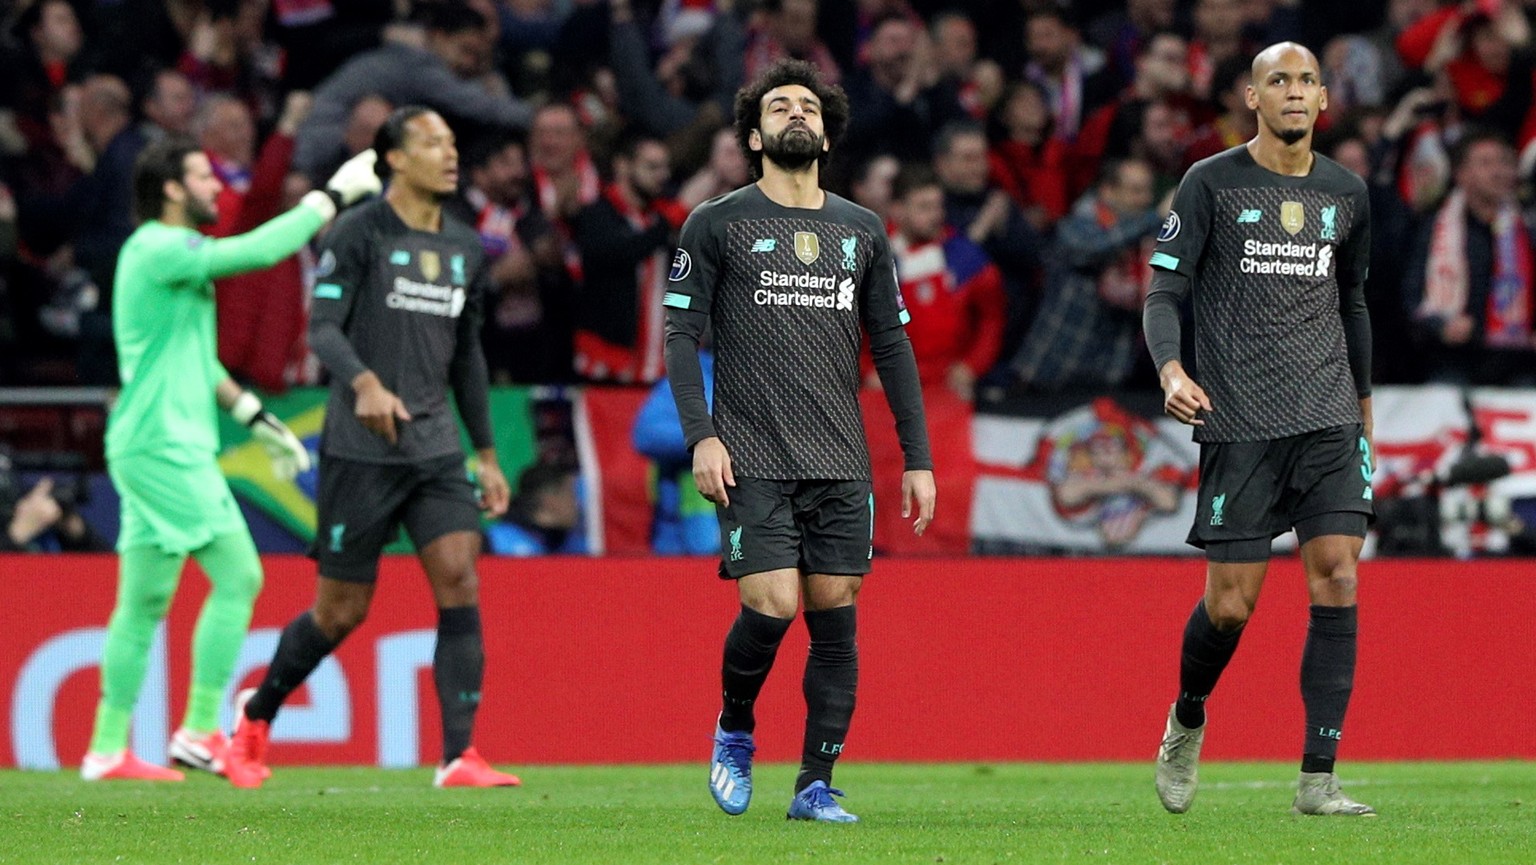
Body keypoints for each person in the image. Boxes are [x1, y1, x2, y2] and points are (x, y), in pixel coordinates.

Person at [664, 59, 936, 823]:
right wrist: (701, 437)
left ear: (824, 131)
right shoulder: (716, 222)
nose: (794, 114)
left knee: (835, 608)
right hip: (751, 452)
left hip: (840, 458)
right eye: (778, 105)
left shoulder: (862, 230)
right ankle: (735, 726)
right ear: (754, 134)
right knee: (772, 601)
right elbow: (681, 335)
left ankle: (814, 784)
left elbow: (892, 347)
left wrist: (918, 458)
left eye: (807, 106)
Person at [222, 107, 516, 791]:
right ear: (393, 158)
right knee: (341, 611)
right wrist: (364, 384)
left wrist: (489, 451)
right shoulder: (357, 233)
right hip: (362, 449)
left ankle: (458, 757)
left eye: (452, 142)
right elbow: (322, 328)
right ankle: (256, 714)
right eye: (432, 143)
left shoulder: (467, 248)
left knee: (459, 575)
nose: (450, 155)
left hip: (436, 445)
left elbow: (467, 354)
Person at [80, 136, 380, 782]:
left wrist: (255, 417)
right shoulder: (161, 247)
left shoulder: (164, 261)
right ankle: (197, 728)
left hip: (148, 441)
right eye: (203, 177)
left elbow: (197, 359)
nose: (218, 188)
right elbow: (259, 252)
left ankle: (106, 746)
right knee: (241, 576)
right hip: (163, 445)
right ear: (170, 189)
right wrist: (333, 194)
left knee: (143, 602)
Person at [1142, 42, 1377, 816]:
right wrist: (1174, 371)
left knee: (1338, 573)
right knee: (1232, 606)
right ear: (1253, 96)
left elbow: (1352, 304)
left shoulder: (1348, 192)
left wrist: (1364, 406)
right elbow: (1165, 292)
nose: (1296, 92)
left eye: (1308, 80)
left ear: (1323, 99)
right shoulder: (1210, 183)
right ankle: (1187, 714)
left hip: (1328, 416)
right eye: (1280, 80)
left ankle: (1319, 776)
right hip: (1239, 419)